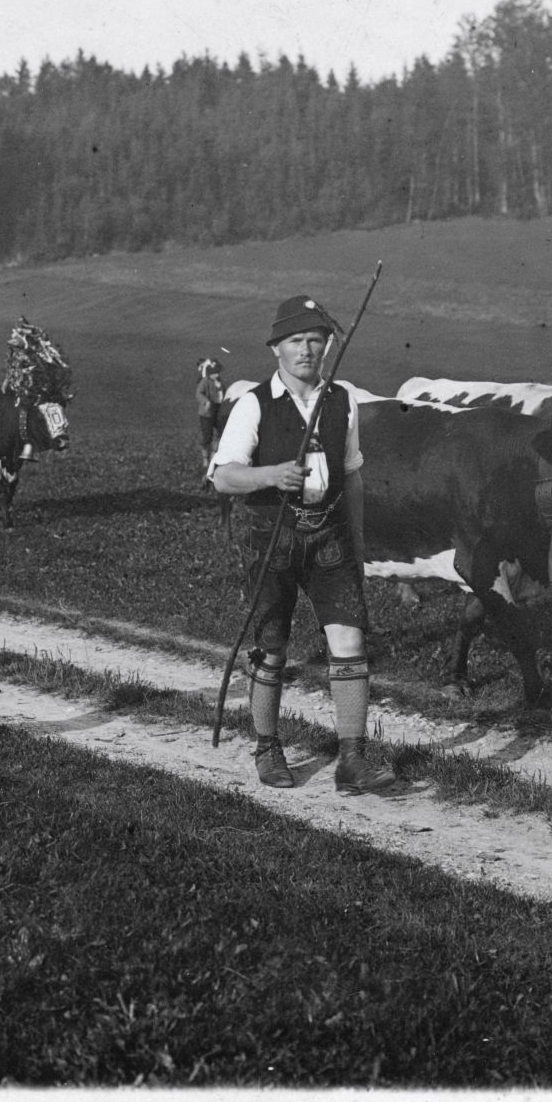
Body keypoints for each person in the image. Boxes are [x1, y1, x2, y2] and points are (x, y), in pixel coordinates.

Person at [209, 294, 396, 795]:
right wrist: (272, 474)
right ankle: (268, 749)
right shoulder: (254, 405)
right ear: (276, 348)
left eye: (316, 340)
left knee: (350, 645)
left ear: (327, 345)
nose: (307, 351)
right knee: (272, 648)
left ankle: (352, 761)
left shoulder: (342, 400)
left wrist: (357, 545)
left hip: (330, 539)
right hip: (272, 538)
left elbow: (352, 477)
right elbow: (223, 477)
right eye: (296, 341)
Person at [194, 357, 225, 474]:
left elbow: (223, 394)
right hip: (207, 413)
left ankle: (214, 456)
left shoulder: (219, 383)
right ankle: (205, 458)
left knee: (221, 433)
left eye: (217, 373)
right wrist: (205, 401)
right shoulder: (205, 382)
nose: (216, 375)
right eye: (214, 373)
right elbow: (198, 394)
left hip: (217, 411)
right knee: (207, 436)